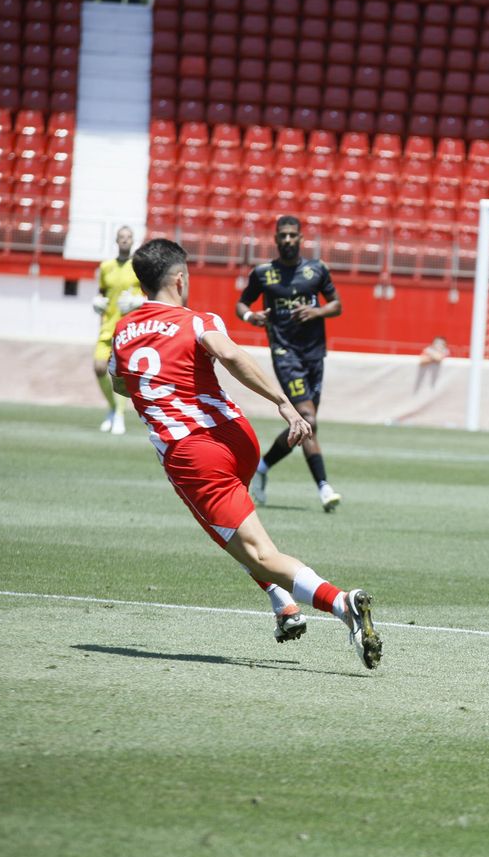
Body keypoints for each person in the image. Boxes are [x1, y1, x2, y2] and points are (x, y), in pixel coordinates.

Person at [107, 239, 381, 668]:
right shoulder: (199, 320)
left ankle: (341, 603)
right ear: (179, 280)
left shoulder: (122, 332)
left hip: (192, 453)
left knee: (255, 551)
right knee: (234, 533)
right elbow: (231, 354)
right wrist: (283, 403)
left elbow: (121, 384)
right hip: (237, 437)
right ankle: (282, 604)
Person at [236, 215, 343, 512]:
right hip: (285, 354)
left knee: (307, 425)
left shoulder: (316, 270)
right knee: (308, 418)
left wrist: (316, 312)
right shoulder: (263, 273)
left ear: (300, 238)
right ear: (275, 239)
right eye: (282, 235)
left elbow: (337, 305)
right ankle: (324, 487)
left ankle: (262, 467)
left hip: (314, 354)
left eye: (292, 235)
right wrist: (250, 317)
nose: (287, 240)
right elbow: (241, 303)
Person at [91, 225, 142, 434]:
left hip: (128, 329)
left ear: (133, 241)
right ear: (116, 240)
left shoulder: (139, 266)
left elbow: (150, 295)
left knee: (120, 374)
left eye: (128, 237)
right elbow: (102, 292)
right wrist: (97, 302)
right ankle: (113, 408)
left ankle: (119, 415)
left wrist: (138, 302)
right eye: (121, 237)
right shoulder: (106, 267)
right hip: (107, 326)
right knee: (99, 368)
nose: (125, 240)